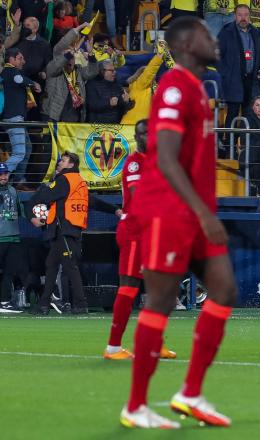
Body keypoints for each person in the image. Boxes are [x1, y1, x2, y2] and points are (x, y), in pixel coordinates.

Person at [119, 17, 237, 429]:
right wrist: (204, 213)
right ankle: (135, 406)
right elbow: (165, 158)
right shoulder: (173, 86)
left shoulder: (199, 89)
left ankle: (190, 393)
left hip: (197, 214)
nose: (214, 39)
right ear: (187, 44)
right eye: (206, 33)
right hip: (170, 212)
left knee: (224, 290)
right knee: (161, 302)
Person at [103, 120, 176, 361]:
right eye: (142, 134)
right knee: (128, 287)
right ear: (137, 137)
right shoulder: (135, 162)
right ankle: (113, 347)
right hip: (135, 230)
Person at [28, 152, 120, 315]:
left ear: (71, 165)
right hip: (71, 230)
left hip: (63, 229)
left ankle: (81, 304)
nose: (59, 163)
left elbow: (43, 196)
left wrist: (34, 210)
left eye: (63, 161)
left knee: (70, 266)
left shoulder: (63, 180)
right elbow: (94, 202)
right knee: (51, 266)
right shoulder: (80, 183)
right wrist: (115, 209)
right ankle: (43, 305)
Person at [219, 4, 260, 132]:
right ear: (235, 16)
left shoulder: (256, 32)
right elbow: (217, 55)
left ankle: (244, 148)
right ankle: (229, 147)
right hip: (233, 81)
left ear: (249, 16)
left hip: (251, 81)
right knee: (232, 114)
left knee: (249, 116)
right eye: (240, 15)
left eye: (246, 15)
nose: (243, 18)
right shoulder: (226, 32)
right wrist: (226, 74)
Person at [1, 47, 41, 187]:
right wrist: (33, 83)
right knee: (19, 152)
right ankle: (2, 174)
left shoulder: (9, 73)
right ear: (11, 60)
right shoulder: (10, 72)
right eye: (20, 58)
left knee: (27, 148)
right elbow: (20, 79)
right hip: (13, 118)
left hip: (16, 118)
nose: (23, 61)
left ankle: (18, 180)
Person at [44, 23, 99, 123]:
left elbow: (92, 73)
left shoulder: (78, 69)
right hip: (55, 114)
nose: (71, 53)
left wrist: (91, 54)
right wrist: (78, 28)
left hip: (75, 114)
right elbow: (62, 47)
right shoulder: (54, 67)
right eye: (67, 53)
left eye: (72, 53)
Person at [0, 163, 24, 314]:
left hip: (13, 238)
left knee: (10, 271)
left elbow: (20, 211)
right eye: (1, 174)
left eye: (5, 173)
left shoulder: (13, 190)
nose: (3, 176)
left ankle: (4, 302)